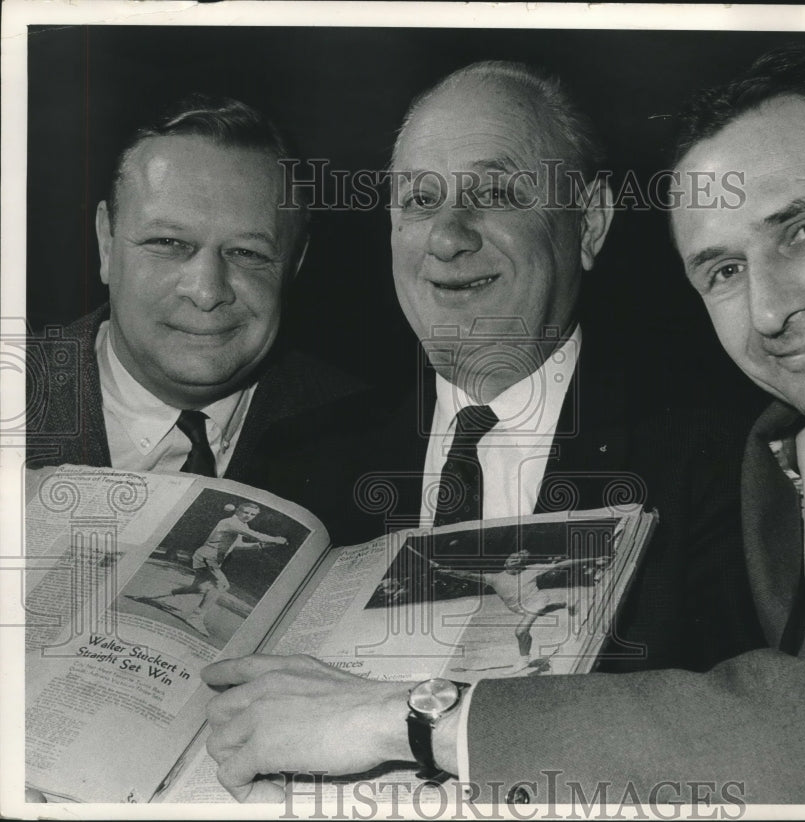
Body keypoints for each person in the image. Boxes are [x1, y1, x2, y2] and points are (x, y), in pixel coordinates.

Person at [255, 59, 763, 675]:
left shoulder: (715, 460)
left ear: (589, 224)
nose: (447, 236)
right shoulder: (291, 469)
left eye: (494, 194)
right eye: (419, 200)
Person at [26, 93, 364, 482]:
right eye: (167, 243)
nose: (206, 292)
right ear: (107, 241)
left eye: (247, 252)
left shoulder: (372, 433)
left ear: (295, 264)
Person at [136, 502, 288, 636]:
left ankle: (154, 596)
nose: (248, 516)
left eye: (252, 514)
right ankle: (196, 617)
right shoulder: (230, 522)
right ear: (237, 512)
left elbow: (237, 545)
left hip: (210, 558)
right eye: (245, 512)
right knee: (221, 585)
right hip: (207, 557)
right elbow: (255, 535)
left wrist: (259, 546)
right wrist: (276, 539)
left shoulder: (242, 526)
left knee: (199, 588)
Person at [427, 550, 612, 658]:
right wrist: (444, 570)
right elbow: (466, 575)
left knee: (521, 631)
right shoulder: (493, 578)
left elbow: (565, 563)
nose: (511, 561)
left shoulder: (532, 570)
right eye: (510, 558)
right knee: (534, 612)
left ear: (522, 565)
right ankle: (565, 603)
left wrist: (594, 560)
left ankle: (523, 660)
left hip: (536, 601)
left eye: (517, 560)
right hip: (519, 608)